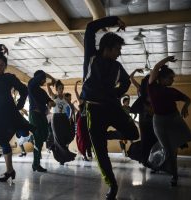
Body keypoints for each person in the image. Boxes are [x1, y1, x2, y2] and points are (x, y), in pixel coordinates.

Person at [81, 16, 139, 200]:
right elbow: (90, 28)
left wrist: (115, 94)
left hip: (112, 107)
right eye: (118, 49)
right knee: (100, 151)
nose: (119, 53)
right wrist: (114, 20)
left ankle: (107, 135)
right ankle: (112, 185)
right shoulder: (92, 56)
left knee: (133, 133)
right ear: (107, 48)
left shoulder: (117, 66)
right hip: (94, 110)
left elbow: (126, 81)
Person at [0, 44, 34, 182]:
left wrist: (21, 104)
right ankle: (10, 170)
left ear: (5, 66)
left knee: (9, 138)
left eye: (1, 65)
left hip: (6, 114)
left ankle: (9, 170)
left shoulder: (9, 78)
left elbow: (24, 90)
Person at [148, 56, 191, 186]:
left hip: (174, 119)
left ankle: (173, 172)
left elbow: (188, 99)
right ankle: (172, 173)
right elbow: (156, 67)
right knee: (169, 149)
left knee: (180, 143)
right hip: (159, 121)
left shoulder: (172, 91)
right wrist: (167, 59)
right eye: (170, 78)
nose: (173, 80)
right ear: (161, 79)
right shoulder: (152, 87)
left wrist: (185, 106)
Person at [28, 70, 56, 172]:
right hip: (34, 115)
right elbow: (41, 75)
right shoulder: (31, 85)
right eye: (43, 79)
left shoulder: (42, 91)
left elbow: (50, 101)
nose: (44, 81)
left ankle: (33, 137)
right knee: (39, 139)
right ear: (38, 78)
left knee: (45, 135)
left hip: (42, 116)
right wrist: (52, 78)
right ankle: (36, 164)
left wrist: (52, 103)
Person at [47, 80, 77, 165]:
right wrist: (49, 83)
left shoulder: (65, 98)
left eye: (62, 88)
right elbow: (49, 89)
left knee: (66, 137)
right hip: (56, 118)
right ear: (57, 89)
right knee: (58, 139)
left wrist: (70, 116)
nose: (61, 89)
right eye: (60, 88)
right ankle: (61, 158)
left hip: (64, 118)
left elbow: (71, 107)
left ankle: (62, 156)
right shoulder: (54, 97)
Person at [74, 80, 92, 161]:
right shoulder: (81, 101)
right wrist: (76, 84)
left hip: (88, 121)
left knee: (88, 138)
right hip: (81, 121)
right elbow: (76, 92)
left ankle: (86, 153)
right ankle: (83, 154)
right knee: (82, 138)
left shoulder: (89, 102)